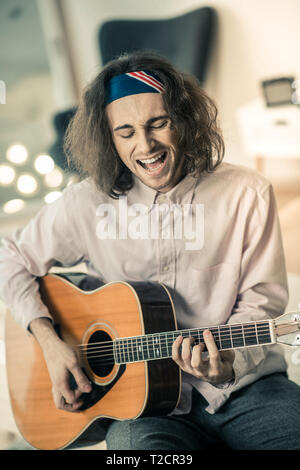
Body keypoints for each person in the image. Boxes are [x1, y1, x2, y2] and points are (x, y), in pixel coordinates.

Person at [1, 51, 300, 451]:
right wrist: (49, 340)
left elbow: (261, 306)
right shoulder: (85, 203)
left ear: (185, 120)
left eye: (158, 123)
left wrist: (227, 363)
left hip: (244, 391)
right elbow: (9, 255)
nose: (145, 146)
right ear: (109, 139)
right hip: (140, 408)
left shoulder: (247, 193)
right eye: (125, 133)